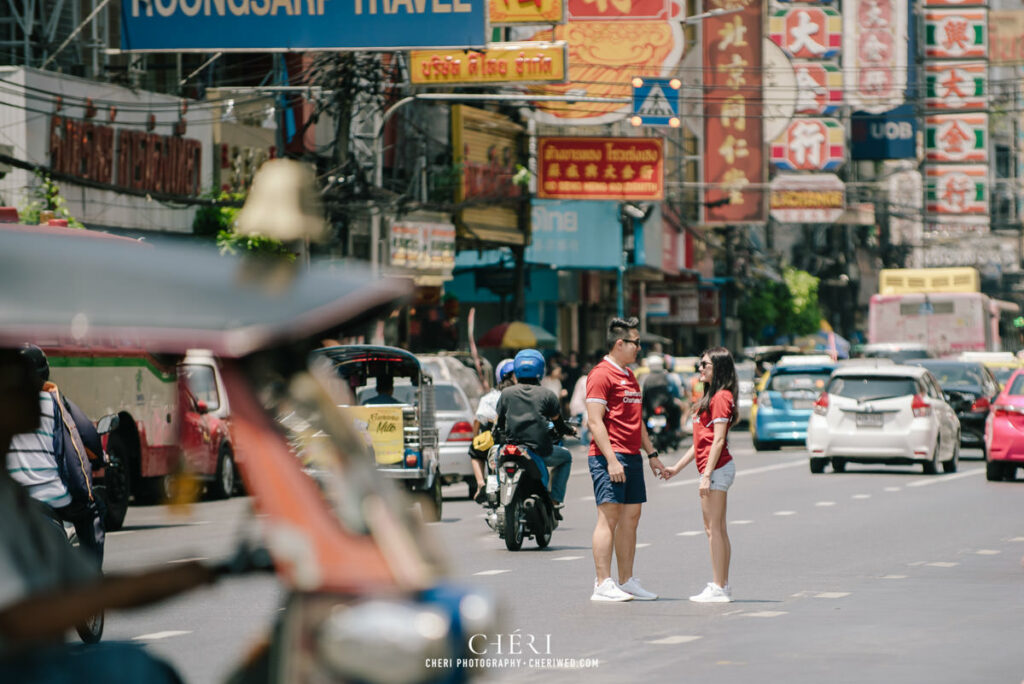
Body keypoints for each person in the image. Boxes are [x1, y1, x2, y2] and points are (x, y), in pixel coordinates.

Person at [0, 347, 216, 684]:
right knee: (138, 671)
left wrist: (171, 580)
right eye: (18, 385)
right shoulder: (54, 402)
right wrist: (141, 588)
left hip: (35, 658)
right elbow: (20, 618)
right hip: (19, 667)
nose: (31, 396)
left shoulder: (16, 499)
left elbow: (80, 585)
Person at [586, 318, 666, 602]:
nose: (639, 348)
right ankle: (602, 583)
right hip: (610, 456)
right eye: (635, 343)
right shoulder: (601, 374)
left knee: (631, 518)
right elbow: (594, 422)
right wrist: (611, 460)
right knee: (609, 518)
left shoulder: (630, 375)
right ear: (619, 343)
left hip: (632, 456)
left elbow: (637, 420)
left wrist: (652, 454)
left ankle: (626, 581)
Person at [7, 344, 105, 564]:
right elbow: (88, 438)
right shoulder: (53, 400)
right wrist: (99, 458)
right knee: (93, 509)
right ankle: (92, 576)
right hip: (48, 499)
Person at [662, 347, 738, 603]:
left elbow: (718, 441)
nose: (700, 369)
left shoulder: (721, 398)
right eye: (700, 364)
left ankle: (719, 586)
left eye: (705, 364)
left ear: (719, 368)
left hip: (716, 468)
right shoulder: (713, 396)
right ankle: (722, 585)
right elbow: (700, 443)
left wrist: (706, 475)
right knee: (716, 528)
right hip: (714, 468)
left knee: (713, 529)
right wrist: (676, 469)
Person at [494, 349, 574, 519]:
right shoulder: (547, 395)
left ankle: (497, 491)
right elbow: (559, 425)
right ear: (541, 370)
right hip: (538, 450)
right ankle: (554, 501)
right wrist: (568, 430)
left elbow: (499, 423)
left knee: (495, 458)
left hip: (510, 448)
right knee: (566, 457)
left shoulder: (506, 394)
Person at [469, 358, 515, 504]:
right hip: (518, 437)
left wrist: (475, 437)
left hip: (495, 439)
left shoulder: (490, 397)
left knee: (474, 450)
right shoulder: (523, 394)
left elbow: (478, 420)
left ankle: (480, 483)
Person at [640, 354, 683, 440]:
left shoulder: (646, 378)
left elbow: (643, 393)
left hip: (652, 407)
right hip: (664, 406)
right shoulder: (668, 376)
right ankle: (676, 431)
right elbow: (675, 391)